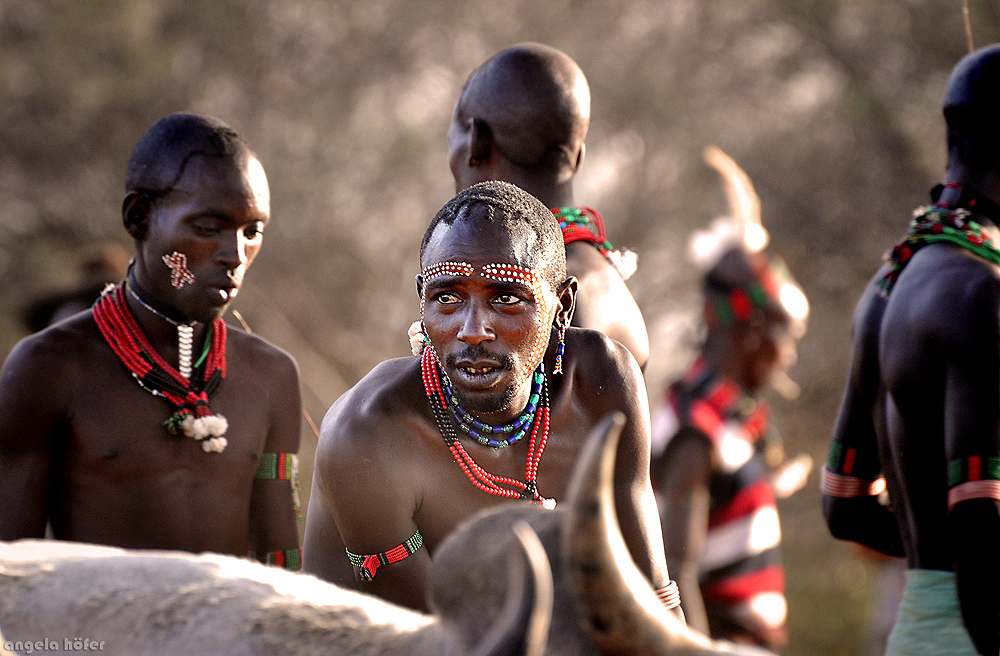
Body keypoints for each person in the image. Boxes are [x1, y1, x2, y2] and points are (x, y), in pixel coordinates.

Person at [303, 180, 678, 614]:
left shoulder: (604, 384)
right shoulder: (368, 434)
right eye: (447, 299)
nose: (473, 329)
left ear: (563, 305)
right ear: (421, 304)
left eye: (506, 298)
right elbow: (442, 639)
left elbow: (655, 603)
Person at [0, 113, 303, 570]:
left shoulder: (271, 376)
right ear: (139, 217)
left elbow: (282, 562)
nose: (234, 255)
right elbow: (9, 573)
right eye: (208, 228)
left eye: (252, 231)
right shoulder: (50, 367)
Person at [822, 45, 1000, 656]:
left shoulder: (888, 284)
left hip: (918, 636)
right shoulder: (983, 294)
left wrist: (931, 546)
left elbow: (843, 504)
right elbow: (981, 525)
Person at [649, 148, 810, 651]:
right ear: (753, 330)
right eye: (787, 338)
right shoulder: (697, 429)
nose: (788, 357)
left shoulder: (724, 422)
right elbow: (675, 573)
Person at [447, 42, 649, 369]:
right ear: (579, 156)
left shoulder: (534, 300)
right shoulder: (608, 286)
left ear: (476, 142)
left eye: (450, 139)